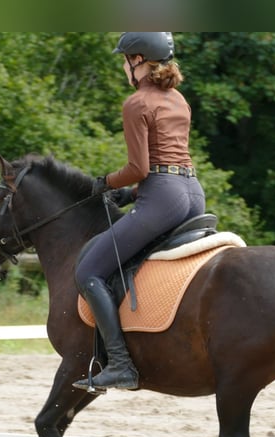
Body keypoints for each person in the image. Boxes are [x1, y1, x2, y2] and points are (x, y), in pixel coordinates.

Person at [73, 32, 206, 392]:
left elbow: (140, 168)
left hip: (162, 198)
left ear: (139, 61)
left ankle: (120, 364)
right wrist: (130, 196)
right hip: (193, 193)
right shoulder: (178, 99)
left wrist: (106, 182)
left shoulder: (137, 103)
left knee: (88, 272)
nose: (123, 66)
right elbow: (170, 161)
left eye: (124, 59)